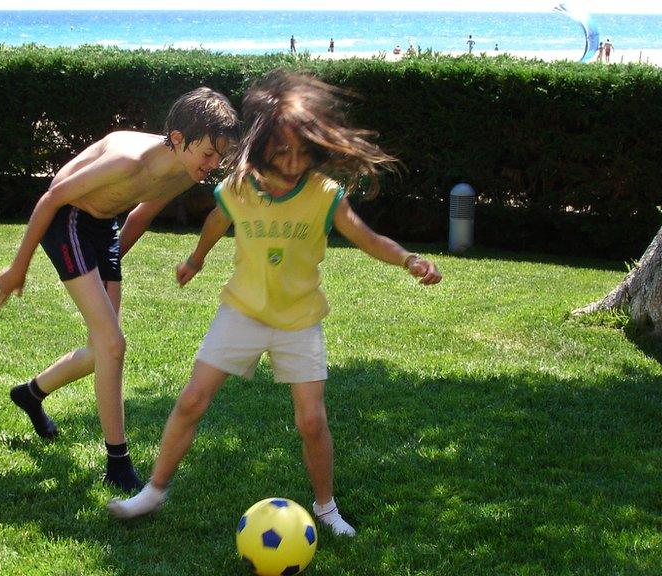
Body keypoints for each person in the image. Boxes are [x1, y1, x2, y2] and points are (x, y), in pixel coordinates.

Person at [106, 70, 442, 535]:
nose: (292, 160)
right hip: (240, 311)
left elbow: (366, 239)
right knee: (191, 401)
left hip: (298, 321)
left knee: (310, 420)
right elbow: (216, 221)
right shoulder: (239, 188)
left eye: (303, 150)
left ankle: (325, 507)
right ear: (262, 144)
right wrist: (196, 259)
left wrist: (409, 259)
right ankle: (154, 491)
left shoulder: (325, 195)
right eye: (282, 149)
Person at [0, 87, 239, 493]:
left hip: (103, 229)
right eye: (208, 153)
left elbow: (140, 215)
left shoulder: (182, 171)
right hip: (67, 218)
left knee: (104, 348)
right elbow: (52, 199)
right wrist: (18, 267)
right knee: (113, 345)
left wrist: (109, 269)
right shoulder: (129, 160)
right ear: (177, 139)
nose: (214, 164)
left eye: (220, 156)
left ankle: (31, 394)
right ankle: (118, 463)